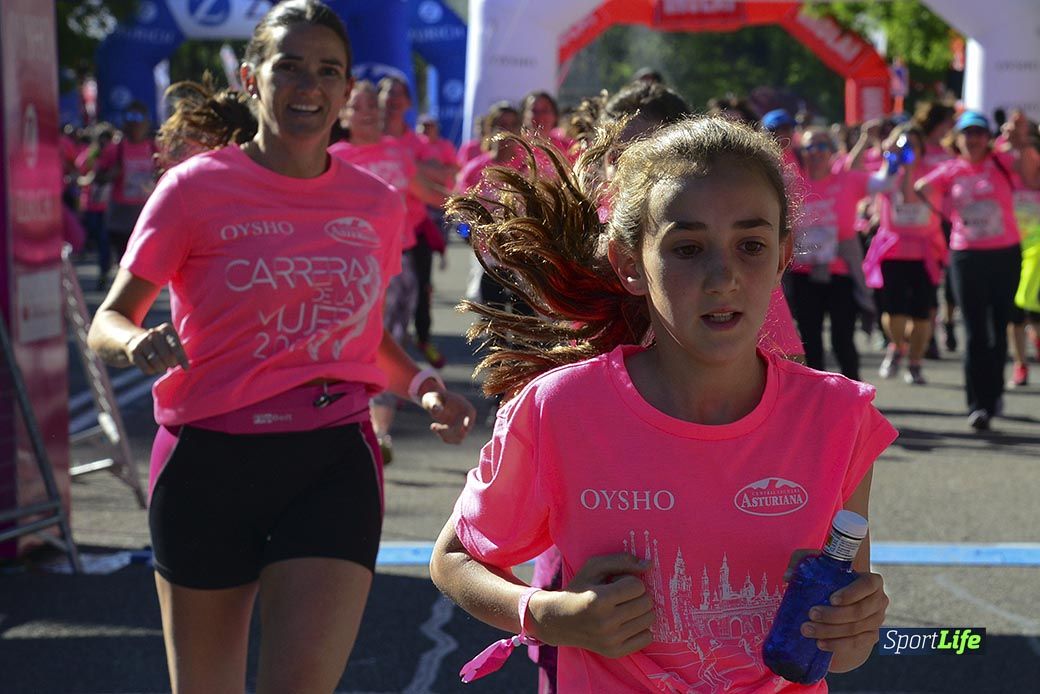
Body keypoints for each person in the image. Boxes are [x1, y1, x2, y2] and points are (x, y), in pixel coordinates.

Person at [86, 3, 474, 691]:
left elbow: (364, 336)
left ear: (346, 90)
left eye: (329, 70)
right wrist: (137, 343)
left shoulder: (375, 203)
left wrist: (421, 385)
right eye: (289, 65)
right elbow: (108, 319)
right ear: (251, 78)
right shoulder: (193, 189)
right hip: (207, 458)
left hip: (330, 457)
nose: (309, 84)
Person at [431, 116, 894, 692]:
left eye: (750, 245)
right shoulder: (561, 409)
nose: (722, 276)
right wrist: (547, 615)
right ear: (630, 264)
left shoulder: (839, 417)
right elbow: (454, 559)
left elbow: (842, 649)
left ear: (781, 257)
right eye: (688, 248)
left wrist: (853, 629)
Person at [916, 111, 1040, 430]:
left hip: (1005, 255)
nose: (973, 139)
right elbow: (920, 188)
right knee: (974, 333)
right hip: (967, 257)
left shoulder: (1002, 162)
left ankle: (995, 393)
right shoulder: (951, 170)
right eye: (967, 134)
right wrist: (947, 215)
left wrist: (1023, 142)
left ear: (987, 138)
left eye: (979, 134)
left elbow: (1031, 177)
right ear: (957, 139)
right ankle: (977, 404)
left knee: (997, 329)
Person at [783, 127, 881, 381]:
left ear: (832, 150)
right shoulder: (792, 183)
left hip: (841, 273)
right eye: (810, 147)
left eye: (822, 146)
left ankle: (856, 398)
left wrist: (896, 158)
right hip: (804, 274)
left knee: (842, 340)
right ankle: (816, 397)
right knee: (810, 340)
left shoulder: (847, 179)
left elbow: (885, 183)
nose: (816, 152)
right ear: (801, 152)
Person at [864, 125, 946, 384]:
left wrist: (910, 169)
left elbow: (912, 197)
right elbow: (861, 178)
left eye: (913, 145)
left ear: (922, 149)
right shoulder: (888, 173)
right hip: (893, 251)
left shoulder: (933, 174)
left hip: (925, 252)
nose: (908, 150)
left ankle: (915, 361)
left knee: (922, 315)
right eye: (903, 145)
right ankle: (896, 346)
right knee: (894, 312)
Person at [95, 101, 158, 279]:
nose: (135, 122)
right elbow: (97, 178)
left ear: (147, 122)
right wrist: (112, 174)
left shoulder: (154, 148)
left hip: (147, 212)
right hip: (121, 214)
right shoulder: (115, 149)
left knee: (143, 256)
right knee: (125, 257)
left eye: (139, 118)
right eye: (130, 117)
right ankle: (116, 280)